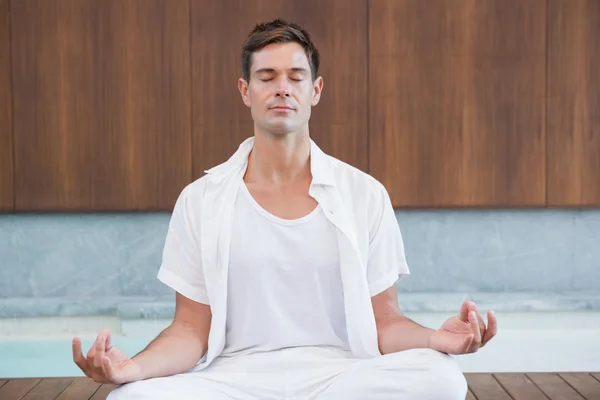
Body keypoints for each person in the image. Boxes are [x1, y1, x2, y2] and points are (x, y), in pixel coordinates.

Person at [72, 18, 497, 399]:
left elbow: (384, 321)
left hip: (339, 376)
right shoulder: (201, 199)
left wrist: (437, 339)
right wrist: (134, 368)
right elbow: (189, 329)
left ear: (315, 90)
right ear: (245, 91)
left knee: (441, 378)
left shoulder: (363, 194)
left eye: (296, 76)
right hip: (234, 379)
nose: (282, 88)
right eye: (267, 76)